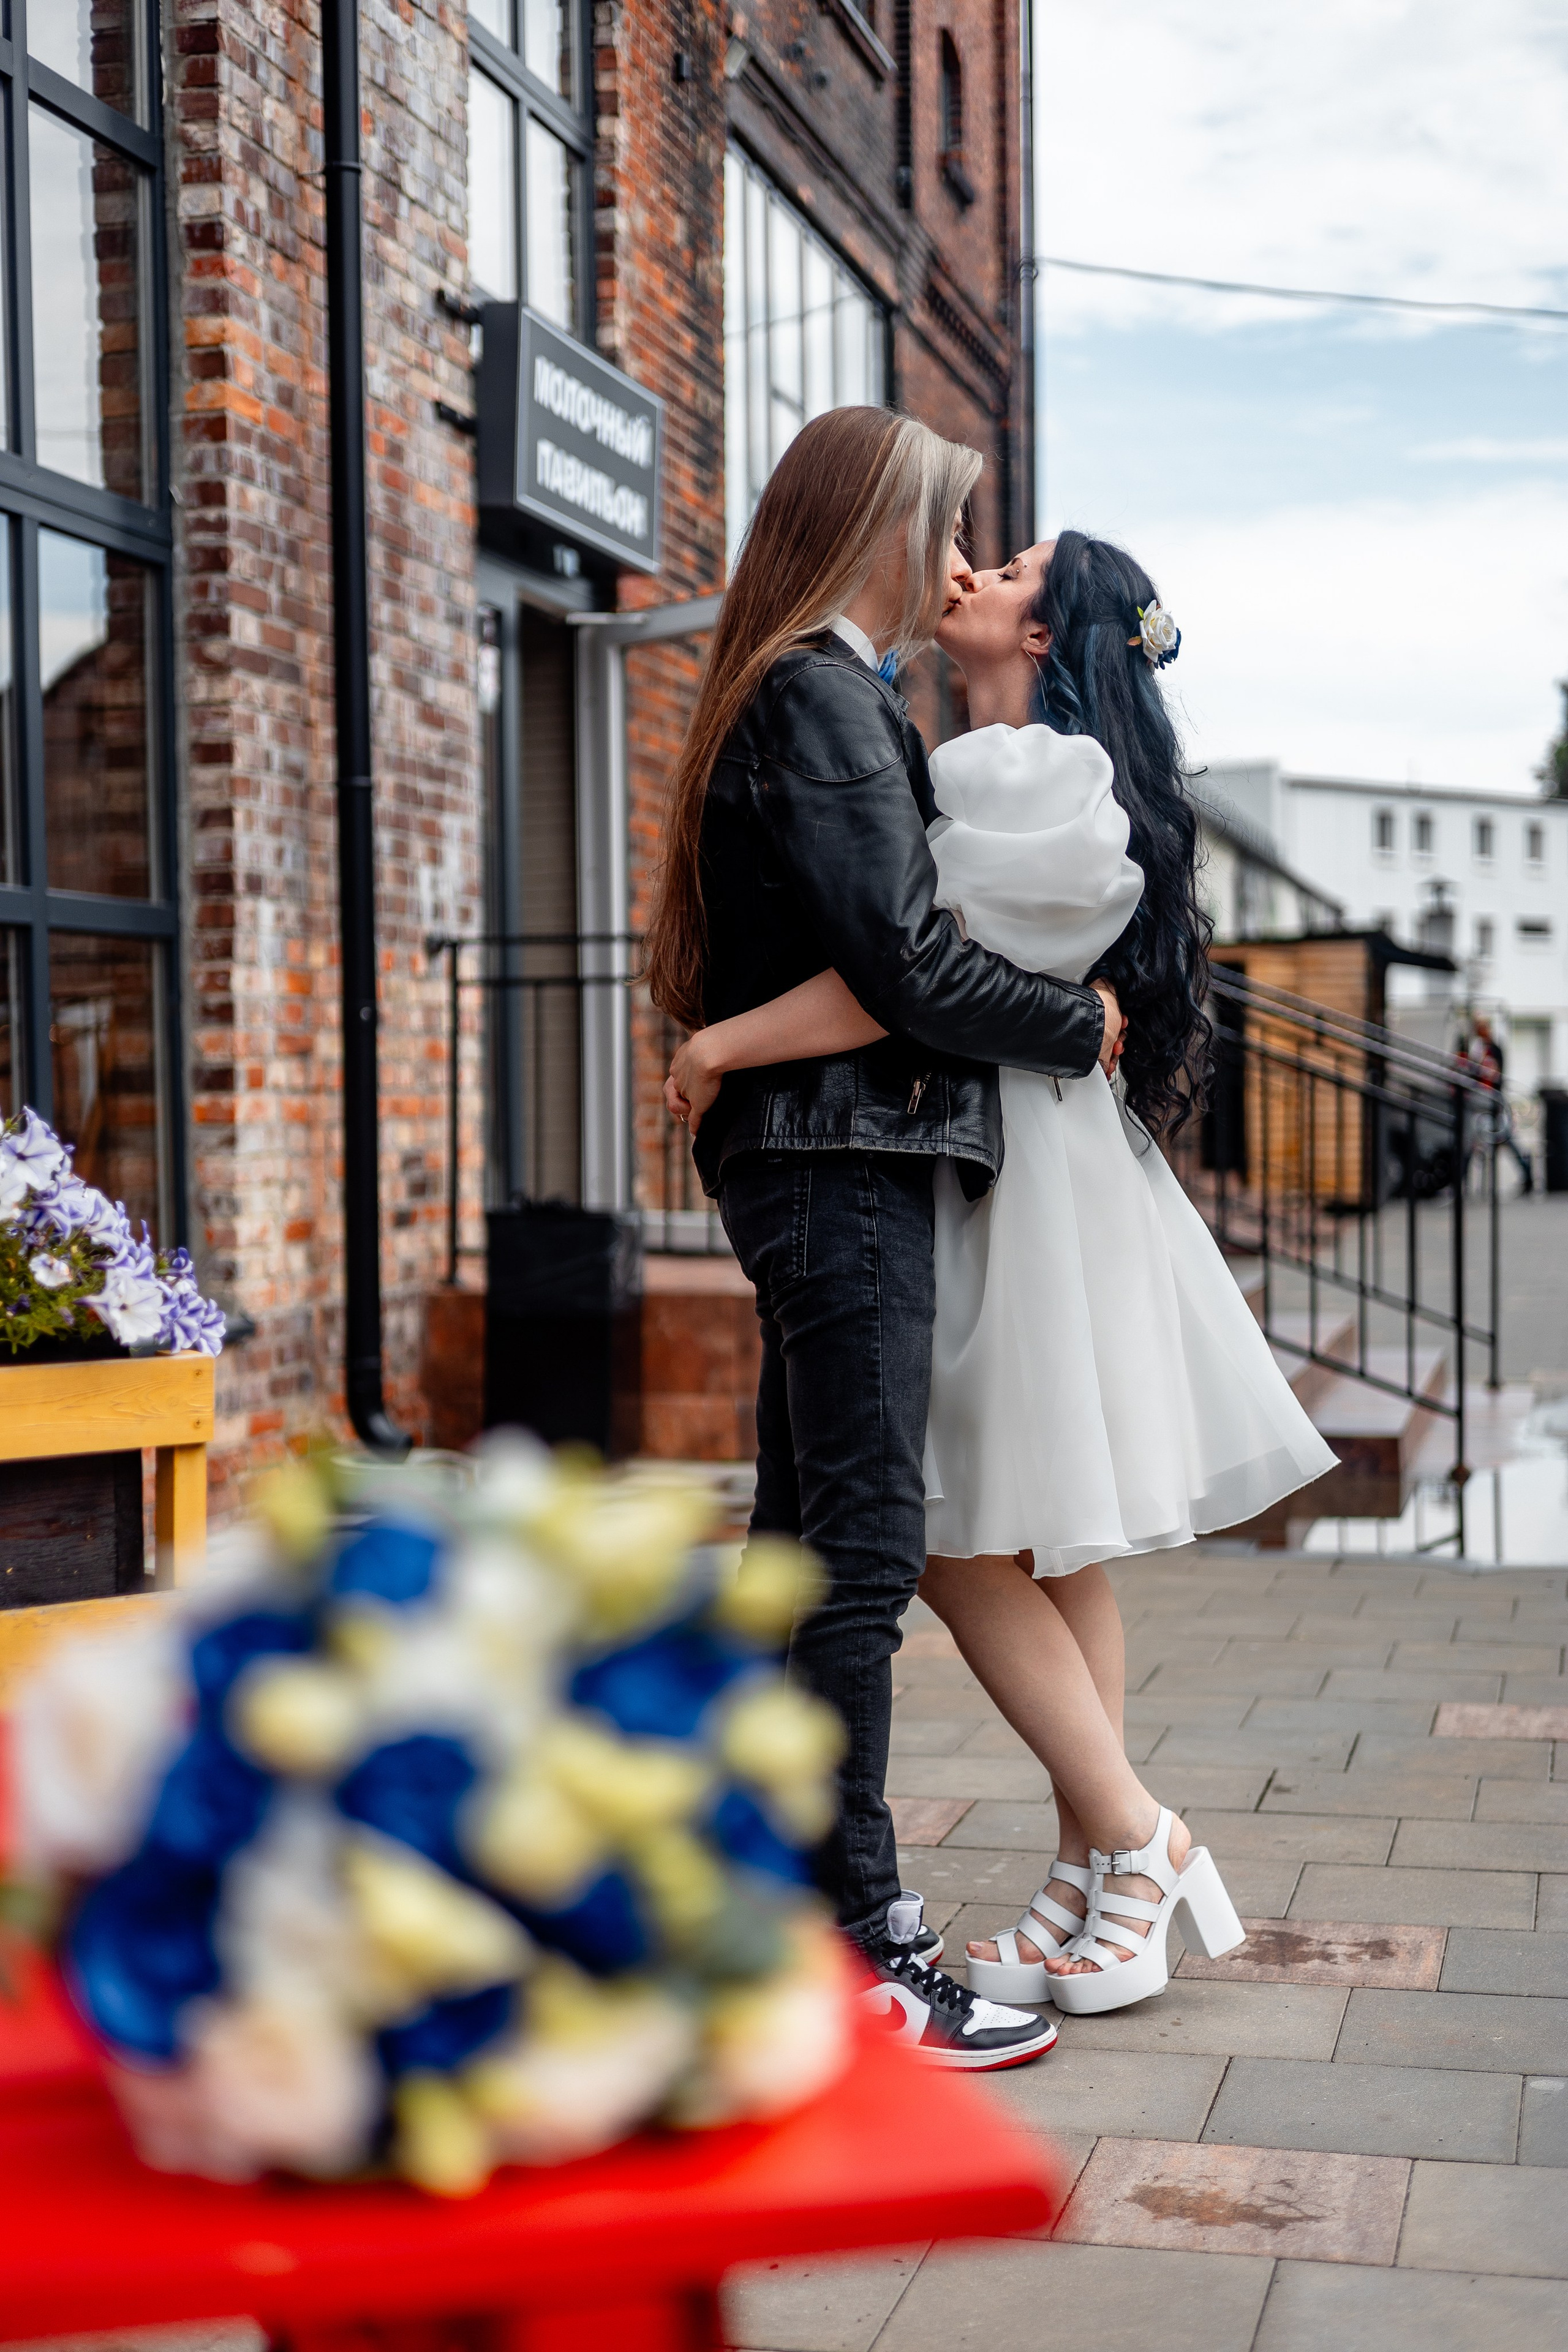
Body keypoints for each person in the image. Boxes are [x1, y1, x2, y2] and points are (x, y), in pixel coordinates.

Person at [668, 529, 1338, 2018]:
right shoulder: (1011, 765)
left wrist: (721, 1044)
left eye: (1012, 565)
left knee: (948, 1531)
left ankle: (1136, 1836)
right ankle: (1090, 1874)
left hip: (1003, 1178)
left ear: (1046, 638)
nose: (967, 567)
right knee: (1050, 1537)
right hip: (1029, 1164)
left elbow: (901, 971)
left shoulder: (1014, 772)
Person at [647, 412, 1122, 2068]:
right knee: (856, 1555)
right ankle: (857, 1946)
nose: (955, 556)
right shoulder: (825, 694)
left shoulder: (815, 690)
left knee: (807, 1551)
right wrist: (1073, 1024)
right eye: (946, 523)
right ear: (881, 525)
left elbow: (877, 960)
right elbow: (910, 963)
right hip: (841, 1160)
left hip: (826, 1150)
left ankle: (792, 1926)